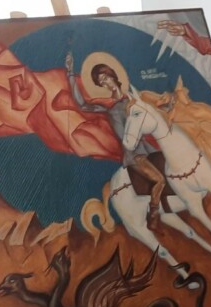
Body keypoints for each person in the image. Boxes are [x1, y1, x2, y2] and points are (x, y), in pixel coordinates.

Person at [67, 54, 167, 229]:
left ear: (112, 75)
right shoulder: (107, 104)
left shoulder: (133, 96)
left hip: (148, 147)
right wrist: (69, 73)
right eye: (101, 82)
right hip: (134, 154)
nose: (105, 83)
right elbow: (82, 104)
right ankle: (153, 215)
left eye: (105, 78)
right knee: (159, 180)